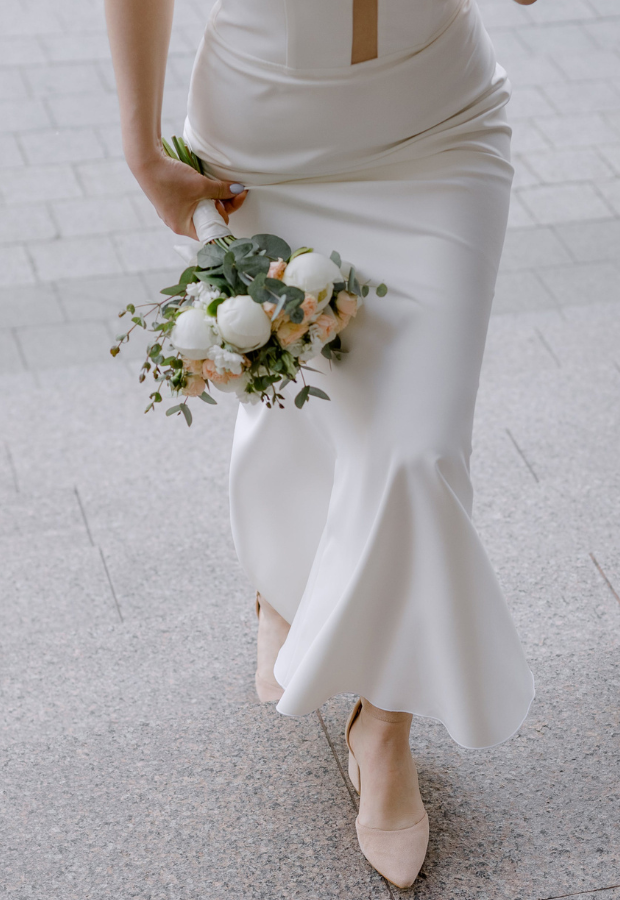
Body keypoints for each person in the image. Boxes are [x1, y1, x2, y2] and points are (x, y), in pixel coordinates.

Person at [105, 0, 539, 886]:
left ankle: (384, 725)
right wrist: (143, 149)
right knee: (302, 383)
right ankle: (282, 582)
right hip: (265, 139)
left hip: (437, 131)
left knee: (418, 450)